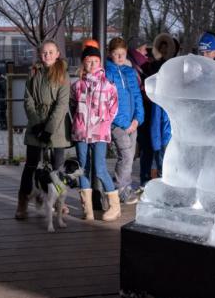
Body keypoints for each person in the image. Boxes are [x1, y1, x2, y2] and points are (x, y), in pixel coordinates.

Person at [15, 40, 71, 220]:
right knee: (31, 165)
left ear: (57, 54)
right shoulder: (34, 73)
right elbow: (28, 100)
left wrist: (48, 130)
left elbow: (62, 105)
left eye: (51, 52)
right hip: (36, 122)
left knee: (58, 167)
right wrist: (37, 124)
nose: (47, 55)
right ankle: (23, 200)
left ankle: (59, 201)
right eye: (44, 52)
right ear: (40, 54)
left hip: (57, 126)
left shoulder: (63, 74)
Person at [71, 40, 119, 221]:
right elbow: (73, 106)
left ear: (100, 62)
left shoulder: (108, 86)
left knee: (99, 168)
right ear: (83, 62)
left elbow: (114, 108)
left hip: (100, 133)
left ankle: (115, 206)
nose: (91, 65)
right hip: (81, 133)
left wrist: (104, 123)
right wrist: (79, 123)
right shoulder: (76, 86)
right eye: (88, 61)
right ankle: (88, 209)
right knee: (83, 169)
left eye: (95, 61)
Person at [105, 37, 144, 204]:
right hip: (117, 123)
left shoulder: (129, 72)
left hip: (132, 122)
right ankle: (121, 190)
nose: (120, 57)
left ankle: (121, 189)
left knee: (128, 157)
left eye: (122, 54)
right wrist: (124, 123)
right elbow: (108, 101)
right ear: (110, 54)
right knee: (126, 155)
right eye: (116, 54)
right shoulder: (107, 72)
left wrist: (137, 119)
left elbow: (137, 97)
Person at [139, 33, 176, 187]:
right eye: (162, 47)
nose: (164, 50)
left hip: (168, 111)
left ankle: (164, 180)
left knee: (165, 148)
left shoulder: (174, 66)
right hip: (149, 111)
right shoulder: (149, 66)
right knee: (149, 149)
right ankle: (147, 180)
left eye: (167, 47)